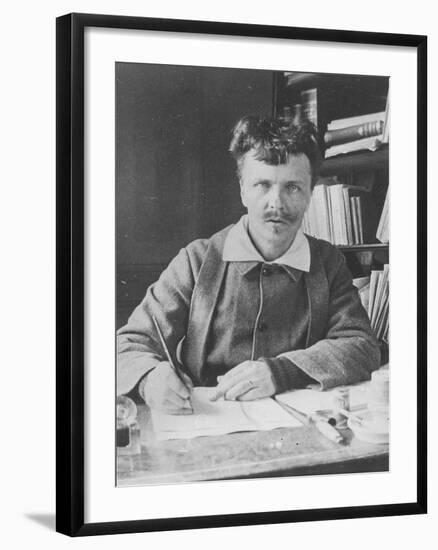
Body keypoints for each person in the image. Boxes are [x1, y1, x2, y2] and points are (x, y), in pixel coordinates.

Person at [117, 115, 380, 414]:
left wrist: (281, 372)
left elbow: (360, 345)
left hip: (298, 431)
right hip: (205, 426)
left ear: (310, 193)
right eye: (262, 185)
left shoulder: (328, 263)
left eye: (292, 187)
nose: (276, 203)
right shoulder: (197, 261)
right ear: (243, 189)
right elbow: (129, 344)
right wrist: (150, 379)